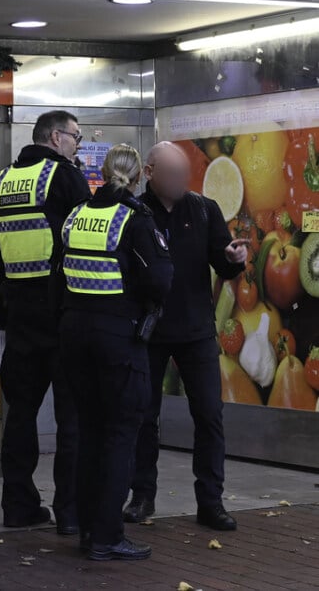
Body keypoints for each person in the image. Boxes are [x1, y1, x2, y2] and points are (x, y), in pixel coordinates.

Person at [123, 141, 249, 531]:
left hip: (195, 330)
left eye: (185, 175)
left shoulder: (204, 209)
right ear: (149, 173)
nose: (182, 182)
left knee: (209, 415)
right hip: (149, 330)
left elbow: (221, 262)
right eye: (173, 175)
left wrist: (232, 261)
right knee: (144, 418)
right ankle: (142, 496)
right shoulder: (134, 213)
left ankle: (210, 501)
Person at [57, 144, 173, 561]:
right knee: (121, 434)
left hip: (74, 334)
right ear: (140, 176)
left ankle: (88, 529)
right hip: (119, 339)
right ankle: (107, 535)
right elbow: (159, 280)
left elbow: (60, 270)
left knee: (88, 433)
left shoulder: (77, 215)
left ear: (101, 172)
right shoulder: (134, 219)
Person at [0, 110, 90, 533]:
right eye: (76, 138)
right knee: (72, 419)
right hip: (62, 315)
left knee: (20, 416)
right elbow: (87, 240)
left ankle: (17, 505)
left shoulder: (2, 182)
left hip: (20, 319)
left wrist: (1, 313)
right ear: (55, 137)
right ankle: (69, 512)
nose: (77, 146)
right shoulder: (63, 177)